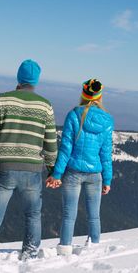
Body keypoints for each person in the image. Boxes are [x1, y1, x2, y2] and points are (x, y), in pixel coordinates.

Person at [0, 59, 58, 263]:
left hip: (4, 167)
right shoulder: (45, 106)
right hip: (31, 170)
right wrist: (52, 170)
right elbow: (50, 142)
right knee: (32, 215)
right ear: (36, 81)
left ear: (19, 78)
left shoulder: (2, 100)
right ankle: (29, 256)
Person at [49, 78, 114, 256]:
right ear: (99, 97)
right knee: (94, 215)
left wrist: (56, 174)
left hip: (73, 172)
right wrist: (107, 179)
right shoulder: (107, 120)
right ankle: (94, 246)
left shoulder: (74, 115)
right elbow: (106, 154)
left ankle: (64, 248)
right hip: (95, 174)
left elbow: (65, 148)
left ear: (83, 94)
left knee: (69, 214)